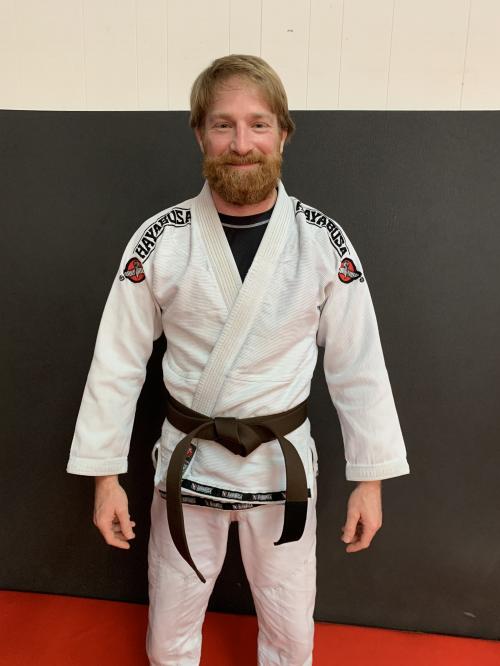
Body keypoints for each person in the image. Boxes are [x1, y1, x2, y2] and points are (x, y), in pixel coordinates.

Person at [67, 54, 409, 666]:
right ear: (200, 134)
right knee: (170, 627)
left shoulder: (321, 240)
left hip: (280, 473)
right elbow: (116, 361)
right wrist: (104, 478)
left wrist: (370, 480)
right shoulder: (162, 238)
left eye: (258, 124)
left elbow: (359, 365)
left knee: (290, 630)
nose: (241, 143)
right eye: (223, 125)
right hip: (187, 463)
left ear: (283, 133)